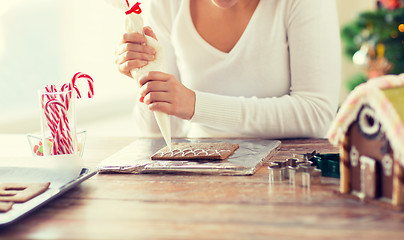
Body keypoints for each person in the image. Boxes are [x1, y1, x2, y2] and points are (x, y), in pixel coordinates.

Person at [115, 0, 341, 139]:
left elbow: (317, 114)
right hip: (202, 174)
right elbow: (158, 133)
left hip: (287, 172)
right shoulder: (167, 5)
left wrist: (196, 105)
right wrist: (144, 76)